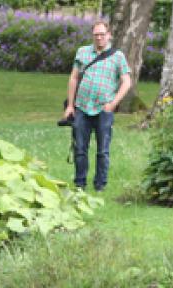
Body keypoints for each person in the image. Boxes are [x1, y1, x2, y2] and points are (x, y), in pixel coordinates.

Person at [62, 20, 131, 192]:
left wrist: (114, 103)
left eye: (102, 34)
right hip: (82, 108)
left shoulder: (118, 56)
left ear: (109, 35)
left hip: (103, 109)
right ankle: (80, 184)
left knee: (103, 151)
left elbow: (127, 81)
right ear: (93, 35)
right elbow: (73, 78)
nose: (99, 38)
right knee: (80, 149)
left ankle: (100, 186)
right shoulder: (82, 52)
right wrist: (70, 106)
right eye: (96, 34)